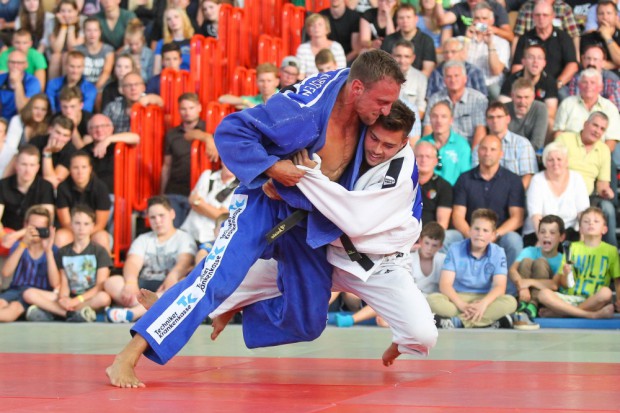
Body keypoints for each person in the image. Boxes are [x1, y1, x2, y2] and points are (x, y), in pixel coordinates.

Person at [106, 50, 405, 388]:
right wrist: (274, 168)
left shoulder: (369, 109)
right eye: (381, 101)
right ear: (356, 89)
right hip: (263, 204)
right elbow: (230, 131)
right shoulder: (302, 113)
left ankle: (201, 310)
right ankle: (127, 356)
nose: (386, 111)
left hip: (307, 221)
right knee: (212, 280)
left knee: (309, 320)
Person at [104, 196, 196, 323]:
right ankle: (151, 310)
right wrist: (131, 283)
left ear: (172, 214)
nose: (157, 221)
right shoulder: (143, 239)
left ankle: (132, 313)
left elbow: (184, 262)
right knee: (112, 282)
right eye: (153, 217)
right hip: (144, 285)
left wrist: (173, 276)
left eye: (161, 215)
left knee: (181, 286)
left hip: (167, 286)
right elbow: (133, 262)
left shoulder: (184, 238)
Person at [447, 135, 525, 280]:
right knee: (448, 238)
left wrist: (494, 235)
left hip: (499, 236)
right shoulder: (465, 179)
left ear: (501, 153)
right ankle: (448, 285)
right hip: (470, 234)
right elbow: (457, 215)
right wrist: (472, 235)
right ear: (478, 151)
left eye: (493, 149)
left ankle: (508, 291)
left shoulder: (513, 180)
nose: (487, 153)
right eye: (483, 148)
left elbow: (517, 218)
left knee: (513, 240)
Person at [428, 208, 517, 329]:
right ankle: (488, 322)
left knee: (510, 302)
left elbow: (499, 287)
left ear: (492, 235)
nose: (480, 234)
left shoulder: (498, 252)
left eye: (485, 230)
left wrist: (483, 304)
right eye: (476, 229)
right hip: (457, 297)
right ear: (469, 230)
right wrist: (462, 305)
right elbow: (445, 285)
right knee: (432, 300)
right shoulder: (455, 249)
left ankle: (457, 322)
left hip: (484, 298)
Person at [23, 205, 113, 322]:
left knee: (104, 298)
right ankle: (72, 314)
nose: (81, 228)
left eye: (86, 224)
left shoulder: (99, 251)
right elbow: (64, 283)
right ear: (71, 225)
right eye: (77, 223)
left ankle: (56, 312)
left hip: (88, 297)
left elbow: (100, 286)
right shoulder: (63, 252)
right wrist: (63, 298)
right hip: (70, 296)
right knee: (29, 293)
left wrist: (77, 300)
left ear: (92, 227)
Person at [537, 207, 619, 319]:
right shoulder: (572, 248)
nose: (591, 223)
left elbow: (617, 280)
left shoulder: (611, 251)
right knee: (543, 294)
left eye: (596, 221)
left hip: (593, 300)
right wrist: (566, 274)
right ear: (580, 229)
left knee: (607, 292)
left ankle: (563, 313)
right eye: (586, 221)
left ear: (604, 229)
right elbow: (565, 284)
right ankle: (589, 315)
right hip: (569, 298)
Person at [555, 112, 617, 246]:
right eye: (595, 125)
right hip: (562, 192)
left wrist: (605, 191)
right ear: (585, 124)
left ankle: (613, 256)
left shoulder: (604, 149)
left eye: (602, 129)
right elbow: (553, 168)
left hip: (588, 198)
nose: (597, 131)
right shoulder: (565, 139)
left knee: (608, 208)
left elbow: (602, 184)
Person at [161, 93, 215, 227]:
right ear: (179, 110)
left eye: (191, 108)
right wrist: (162, 192)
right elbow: (167, 165)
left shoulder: (210, 129)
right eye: (183, 109)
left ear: (199, 108)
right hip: (175, 189)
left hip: (202, 192)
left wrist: (207, 138)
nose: (187, 112)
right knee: (174, 230)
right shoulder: (172, 134)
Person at [523, 141, 589, 244]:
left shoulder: (577, 179)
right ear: (545, 162)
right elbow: (535, 215)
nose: (555, 163)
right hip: (538, 233)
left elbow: (583, 213)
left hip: (568, 233)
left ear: (566, 162)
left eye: (559, 159)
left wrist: (584, 237)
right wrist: (543, 240)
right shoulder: (537, 180)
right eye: (550, 160)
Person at [0, 206, 57, 322]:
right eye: (33, 228)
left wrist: (48, 252)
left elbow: (55, 283)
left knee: (14, 308)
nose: (36, 232)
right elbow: (6, 273)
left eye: (40, 229)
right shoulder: (19, 246)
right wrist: (23, 244)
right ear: (25, 226)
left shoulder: (53, 250)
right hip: (15, 289)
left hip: (37, 293)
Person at [509, 214, 565, 330]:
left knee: (540, 262)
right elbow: (512, 270)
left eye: (552, 233)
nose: (546, 236)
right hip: (525, 294)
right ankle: (523, 304)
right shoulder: (529, 250)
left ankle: (533, 305)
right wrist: (522, 287)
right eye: (542, 232)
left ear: (561, 237)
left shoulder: (562, 259)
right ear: (538, 234)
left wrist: (528, 282)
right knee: (526, 261)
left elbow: (554, 285)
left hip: (545, 299)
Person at [512, 1, 578, 90]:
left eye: (545, 15)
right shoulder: (525, 38)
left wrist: (557, 84)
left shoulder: (563, 37)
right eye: (538, 15)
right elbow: (517, 67)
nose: (541, 18)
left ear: (553, 16)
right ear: (533, 17)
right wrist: (526, 87)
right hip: (529, 87)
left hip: (557, 85)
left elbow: (572, 65)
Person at [54, 151, 112, 252]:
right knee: (60, 237)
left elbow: (100, 224)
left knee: (102, 238)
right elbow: (66, 222)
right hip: (71, 231)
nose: (80, 172)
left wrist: (84, 235)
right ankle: (57, 268)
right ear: (70, 169)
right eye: (75, 167)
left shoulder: (101, 188)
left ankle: (104, 268)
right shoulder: (62, 188)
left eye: (84, 167)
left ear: (90, 169)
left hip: (94, 231)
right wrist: (79, 234)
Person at [472, 101, 538, 189]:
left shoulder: (522, 144)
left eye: (499, 117)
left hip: (515, 197)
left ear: (508, 119)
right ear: (486, 121)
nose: (495, 120)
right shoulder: (479, 147)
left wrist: (514, 195)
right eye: (491, 117)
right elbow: (476, 177)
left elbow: (528, 176)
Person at [0, 145, 54, 248]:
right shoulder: (3, 185)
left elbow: (47, 221)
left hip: (35, 235)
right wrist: (4, 236)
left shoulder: (45, 187)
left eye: (32, 165)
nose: (27, 170)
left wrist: (17, 235)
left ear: (38, 167)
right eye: (24, 164)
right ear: (16, 165)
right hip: (7, 234)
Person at [423, 60, 488, 147]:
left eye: (456, 76)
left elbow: (480, 131)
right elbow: (428, 127)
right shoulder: (435, 99)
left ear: (465, 78)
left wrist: (473, 158)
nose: (453, 80)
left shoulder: (478, 100)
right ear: (444, 80)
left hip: (467, 149)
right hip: (440, 149)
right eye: (449, 76)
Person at [553, 69, 620, 152]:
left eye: (593, 82)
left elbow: (611, 142)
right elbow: (558, 134)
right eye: (585, 82)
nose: (588, 86)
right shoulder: (567, 103)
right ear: (579, 85)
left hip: (597, 156)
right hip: (568, 154)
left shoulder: (610, 108)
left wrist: (596, 157)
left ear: (600, 87)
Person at [500, 44, 558, 133]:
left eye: (539, 58)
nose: (535, 62)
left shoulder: (550, 82)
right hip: (514, 118)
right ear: (523, 61)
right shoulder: (511, 80)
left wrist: (530, 113)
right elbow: (502, 107)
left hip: (537, 119)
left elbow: (551, 111)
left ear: (544, 63)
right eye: (531, 57)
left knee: (550, 122)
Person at [180, 163, 237, 245]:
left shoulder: (238, 187)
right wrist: (213, 210)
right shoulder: (207, 175)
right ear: (222, 161)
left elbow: (222, 216)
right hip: (189, 231)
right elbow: (191, 200)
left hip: (210, 238)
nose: (231, 165)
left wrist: (200, 203)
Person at [82, 114, 140, 194]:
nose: (99, 130)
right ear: (89, 131)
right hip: (94, 195)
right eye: (95, 127)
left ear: (111, 128)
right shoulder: (84, 151)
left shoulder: (119, 144)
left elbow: (136, 138)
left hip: (120, 194)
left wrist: (108, 140)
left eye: (103, 126)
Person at [464, 2, 510, 99]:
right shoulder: (463, 40)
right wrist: (467, 40)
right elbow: (458, 64)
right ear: (472, 20)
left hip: (489, 86)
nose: (480, 22)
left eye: (484, 19)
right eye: (477, 18)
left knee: (495, 92)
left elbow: (496, 71)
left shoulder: (502, 43)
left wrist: (490, 44)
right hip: (467, 85)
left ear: (492, 21)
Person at [420, 101, 471, 186]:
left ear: (451, 120)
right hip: (426, 194)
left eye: (443, 117)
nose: (438, 121)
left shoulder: (462, 146)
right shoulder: (422, 144)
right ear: (430, 119)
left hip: (453, 194)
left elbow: (465, 178)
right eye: (434, 116)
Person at [380, 5, 437, 77]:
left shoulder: (427, 41)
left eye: (408, 17)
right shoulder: (388, 40)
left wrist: (410, 83)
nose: (405, 21)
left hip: (418, 83)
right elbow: (382, 67)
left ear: (416, 19)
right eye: (401, 18)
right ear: (397, 20)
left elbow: (427, 71)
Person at [566, 45, 620, 111]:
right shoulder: (576, 79)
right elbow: (571, 104)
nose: (591, 63)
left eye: (595, 59)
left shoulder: (612, 80)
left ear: (603, 62)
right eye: (588, 58)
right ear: (583, 60)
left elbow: (614, 108)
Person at [30, 115, 77, 188]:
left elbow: (52, 183)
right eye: (58, 133)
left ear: (69, 138)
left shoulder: (71, 151)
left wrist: (47, 153)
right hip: (31, 183)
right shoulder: (36, 142)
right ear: (50, 129)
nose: (60, 138)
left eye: (65, 135)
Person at [433, 0, 514, 42]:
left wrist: (491, 29)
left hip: (491, 43)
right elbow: (442, 20)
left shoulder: (495, 7)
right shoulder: (460, 6)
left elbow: (510, 36)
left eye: (484, 18)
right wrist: (438, 1)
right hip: (467, 43)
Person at [295, 13, 346, 79]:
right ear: (308, 30)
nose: (316, 27)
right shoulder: (302, 49)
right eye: (312, 25)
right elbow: (300, 76)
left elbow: (342, 73)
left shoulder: (336, 47)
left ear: (327, 28)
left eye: (320, 24)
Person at [415, 141, 452, 229]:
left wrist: (425, 242)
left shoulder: (444, 186)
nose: (423, 160)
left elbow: (442, 224)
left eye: (428, 157)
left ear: (435, 161)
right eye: (419, 156)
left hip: (431, 237)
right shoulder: (403, 182)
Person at [504, 78, 548, 151]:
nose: (522, 101)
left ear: (533, 97)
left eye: (526, 97)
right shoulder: (503, 109)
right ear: (512, 96)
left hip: (530, 153)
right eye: (519, 97)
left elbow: (537, 143)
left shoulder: (540, 108)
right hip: (506, 152)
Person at [74, 17, 115, 92]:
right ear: (84, 32)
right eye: (88, 30)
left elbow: (106, 72)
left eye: (95, 30)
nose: (92, 34)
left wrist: (93, 90)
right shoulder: (77, 50)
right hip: (82, 86)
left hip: (102, 87)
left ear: (100, 32)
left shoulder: (108, 50)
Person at [46, 0, 84, 79]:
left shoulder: (82, 21)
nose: (66, 14)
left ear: (76, 12)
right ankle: (53, 88)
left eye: (69, 11)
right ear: (58, 12)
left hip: (76, 55)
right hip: (55, 55)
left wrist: (71, 25)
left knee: (67, 56)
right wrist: (63, 26)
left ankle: (67, 87)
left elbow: (73, 48)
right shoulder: (52, 22)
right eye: (63, 11)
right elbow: (57, 49)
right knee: (55, 57)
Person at [0, 49, 41, 120]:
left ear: (26, 65)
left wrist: (17, 83)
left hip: (22, 120)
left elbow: (23, 110)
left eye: (19, 63)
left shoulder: (33, 82)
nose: (15, 66)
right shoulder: (1, 78)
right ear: (7, 64)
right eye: (12, 62)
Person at [579, 0, 620, 69]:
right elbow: (588, 63)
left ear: (616, 17)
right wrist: (616, 65)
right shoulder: (588, 37)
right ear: (597, 17)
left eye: (609, 13)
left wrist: (607, 37)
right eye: (601, 14)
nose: (605, 17)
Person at [152, 7, 194, 74]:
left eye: (176, 17)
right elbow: (157, 70)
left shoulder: (194, 42)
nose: (173, 21)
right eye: (169, 19)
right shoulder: (162, 43)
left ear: (183, 18)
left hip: (189, 80)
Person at [392, 40, 427, 116]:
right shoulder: (382, 76)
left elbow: (421, 107)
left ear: (413, 58)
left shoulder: (420, 78)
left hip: (411, 122)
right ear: (392, 56)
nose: (402, 60)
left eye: (407, 56)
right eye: (398, 56)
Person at [411, 222, 446, 296]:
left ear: (440, 246)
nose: (429, 248)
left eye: (434, 245)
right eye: (427, 243)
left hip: (436, 299)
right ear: (420, 241)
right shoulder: (410, 259)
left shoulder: (444, 260)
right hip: (414, 297)